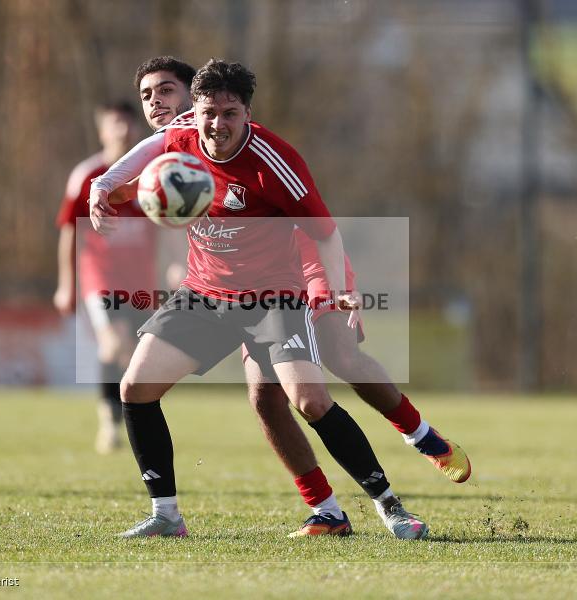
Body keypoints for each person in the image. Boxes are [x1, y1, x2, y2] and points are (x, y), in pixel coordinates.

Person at [99, 56, 471, 537]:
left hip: (275, 295)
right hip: (206, 292)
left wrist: (334, 293)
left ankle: (393, 501)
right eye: (208, 112)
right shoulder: (180, 140)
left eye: (229, 114)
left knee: (314, 394)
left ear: (247, 115)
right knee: (138, 389)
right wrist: (109, 191)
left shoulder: (274, 162)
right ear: (196, 110)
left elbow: (325, 233)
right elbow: (147, 171)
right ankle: (169, 515)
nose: (216, 124)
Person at [53, 101, 157, 454]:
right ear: (102, 131)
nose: (123, 130)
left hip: (142, 281)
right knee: (113, 343)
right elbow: (69, 232)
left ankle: (126, 417)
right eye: (115, 124)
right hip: (101, 280)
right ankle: (108, 420)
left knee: (136, 354)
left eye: (128, 124)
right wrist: (67, 285)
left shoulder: (153, 174)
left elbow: (168, 226)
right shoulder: (87, 175)